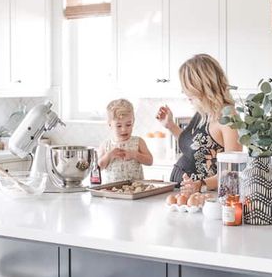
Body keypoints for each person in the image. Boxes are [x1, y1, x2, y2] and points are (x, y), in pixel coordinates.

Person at [156, 54, 241, 193]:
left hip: (204, 195)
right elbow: (195, 148)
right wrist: (170, 125)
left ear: (201, 84)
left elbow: (232, 171)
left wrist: (200, 185)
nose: (183, 91)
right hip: (185, 191)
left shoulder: (228, 117)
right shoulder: (203, 111)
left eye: (186, 86)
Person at [98, 99, 153, 183]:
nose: (124, 129)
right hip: (112, 190)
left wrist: (135, 155)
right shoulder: (106, 145)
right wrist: (109, 155)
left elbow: (150, 161)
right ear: (110, 124)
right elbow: (98, 167)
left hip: (136, 189)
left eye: (128, 124)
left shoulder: (138, 142)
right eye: (119, 126)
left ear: (133, 122)